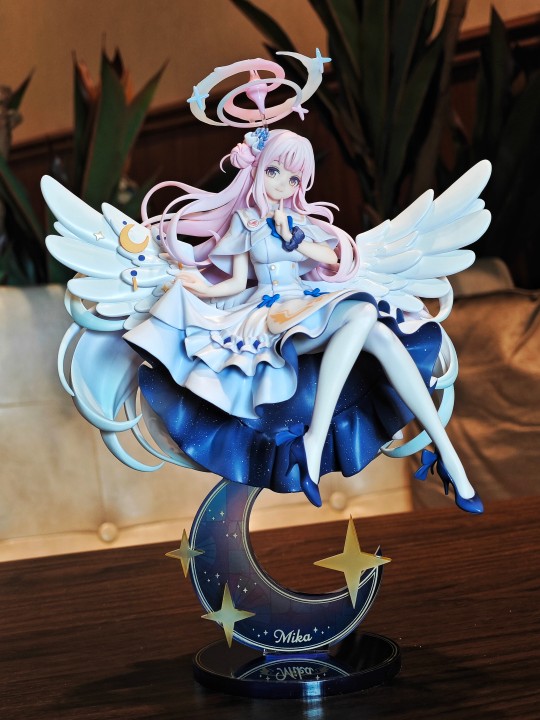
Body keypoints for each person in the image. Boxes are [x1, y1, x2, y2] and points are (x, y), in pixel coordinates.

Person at [124, 128, 483, 512]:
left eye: (293, 178)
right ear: (258, 169)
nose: (282, 184)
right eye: (273, 171)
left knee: (380, 333)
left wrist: (293, 237)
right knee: (365, 313)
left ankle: (448, 455)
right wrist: (199, 287)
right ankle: (322, 443)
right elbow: (235, 282)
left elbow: (331, 258)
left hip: (309, 303)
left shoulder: (298, 222)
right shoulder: (245, 222)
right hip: (272, 315)